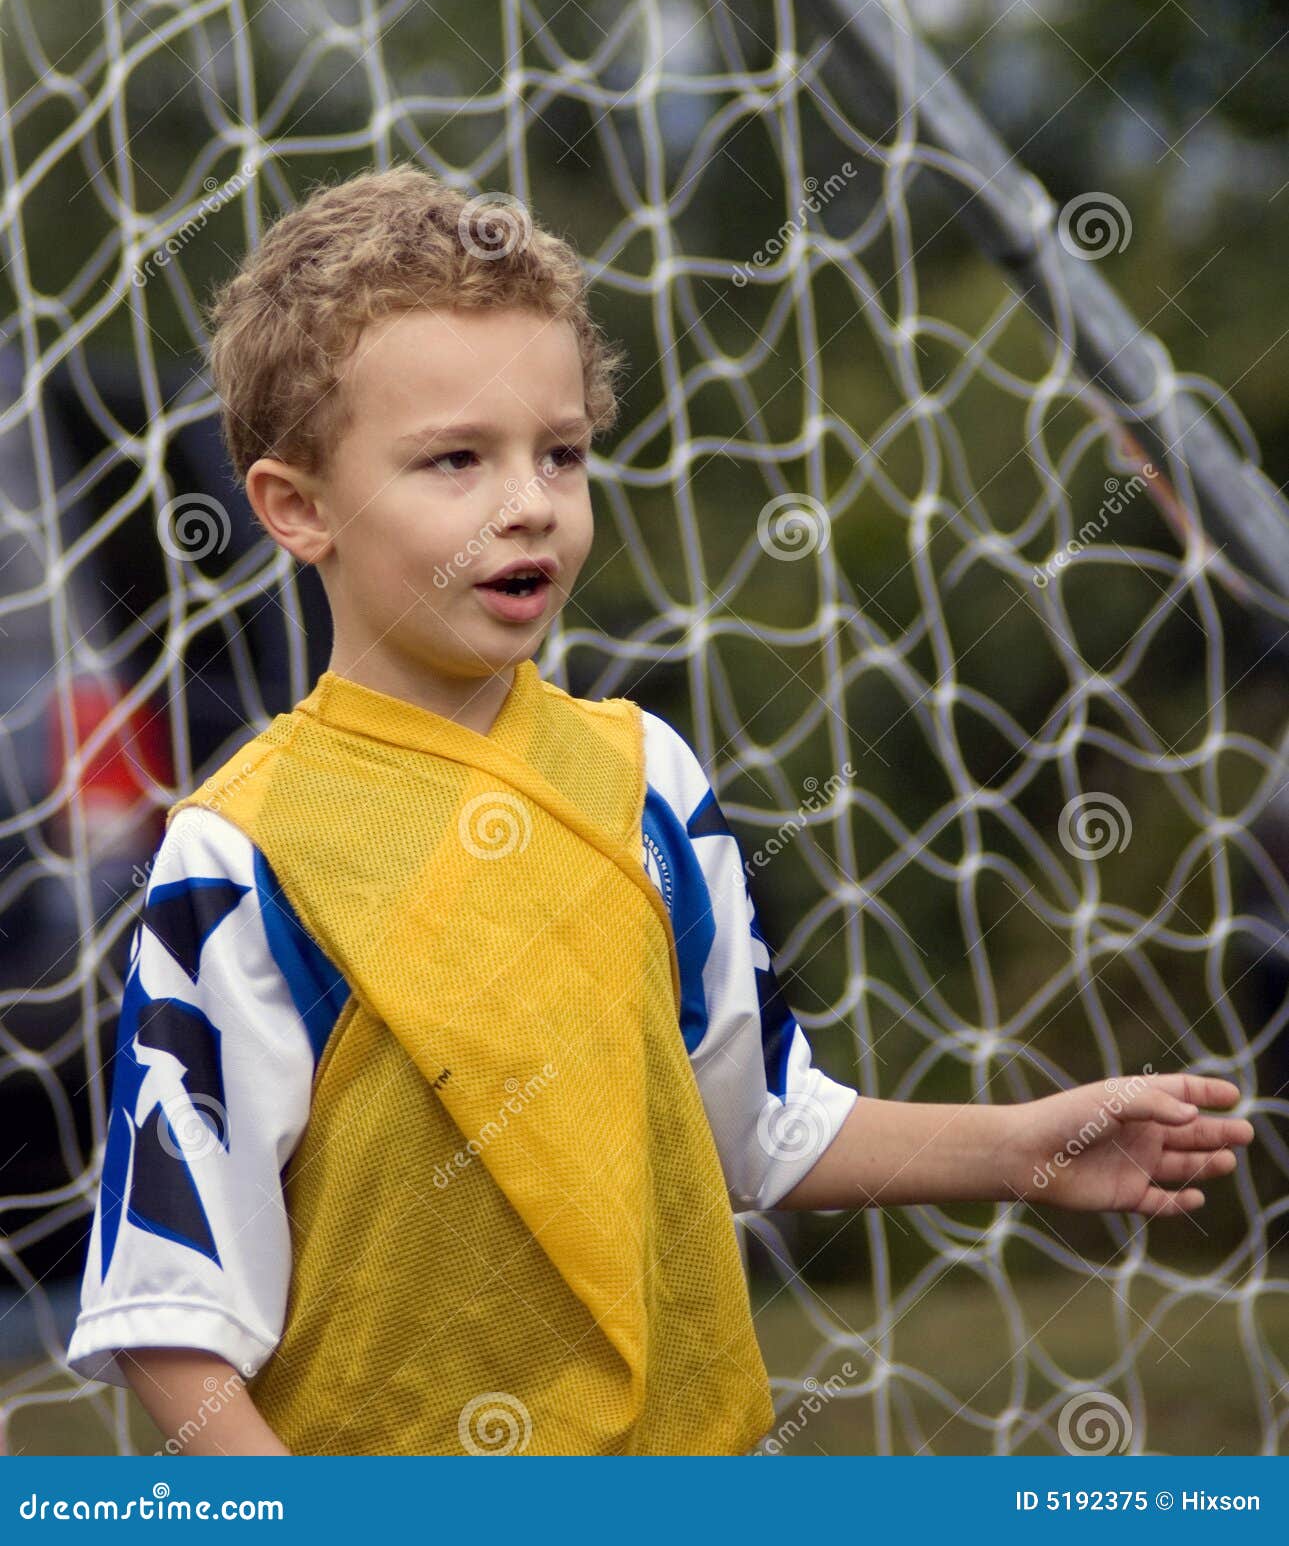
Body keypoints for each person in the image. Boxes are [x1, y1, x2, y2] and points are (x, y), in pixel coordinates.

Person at [66, 165, 1253, 1456]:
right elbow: (172, 1303)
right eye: (455, 459)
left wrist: (1018, 1146)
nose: (528, 500)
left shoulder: (647, 779)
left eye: (560, 452)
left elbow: (762, 1122)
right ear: (296, 507)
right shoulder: (242, 853)